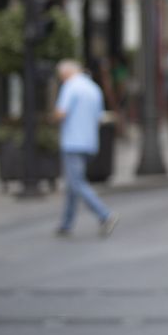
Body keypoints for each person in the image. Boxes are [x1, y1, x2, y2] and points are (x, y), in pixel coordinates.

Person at [52, 60, 118, 238]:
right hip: (90, 142)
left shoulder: (70, 87)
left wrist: (53, 118)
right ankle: (66, 224)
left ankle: (105, 215)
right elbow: (99, 117)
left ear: (66, 73)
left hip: (72, 142)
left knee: (77, 183)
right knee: (73, 184)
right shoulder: (93, 88)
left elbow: (61, 113)